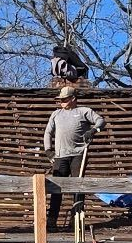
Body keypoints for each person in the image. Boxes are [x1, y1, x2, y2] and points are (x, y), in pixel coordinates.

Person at [43, 86, 105, 232]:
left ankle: (76, 220)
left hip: (78, 153)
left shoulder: (84, 111)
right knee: (56, 188)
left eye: (64, 100)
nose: (61, 102)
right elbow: (48, 133)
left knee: (78, 186)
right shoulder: (56, 114)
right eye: (60, 100)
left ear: (73, 99)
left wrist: (93, 130)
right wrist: (48, 151)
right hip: (60, 155)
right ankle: (52, 220)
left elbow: (100, 120)